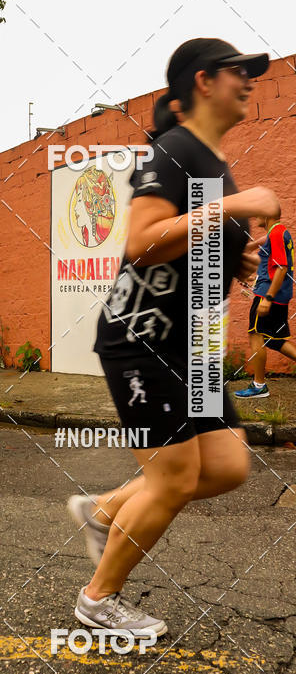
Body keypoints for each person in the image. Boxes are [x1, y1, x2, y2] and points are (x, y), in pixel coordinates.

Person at [67, 38, 281, 637]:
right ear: (204, 82)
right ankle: (97, 601)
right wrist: (238, 204)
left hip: (193, 346)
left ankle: (104, 510)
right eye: (240, 72)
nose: (250, 82)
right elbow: (140, 240)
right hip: (143, 339)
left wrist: (235, 261)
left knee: (228, 464)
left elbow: (192, 247)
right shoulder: (176, 149)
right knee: (176, 478)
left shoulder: (214, 161)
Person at [235, 214, 295, 398]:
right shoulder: (278, 232)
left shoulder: (276, 233)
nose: (255, 216)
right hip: (276, 293)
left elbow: (281, 267)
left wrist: (267, 297)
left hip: (268, 295)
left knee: (256, 335)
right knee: (275, 340)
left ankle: (259, 385)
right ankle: (259, 385)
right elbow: (265, 258)